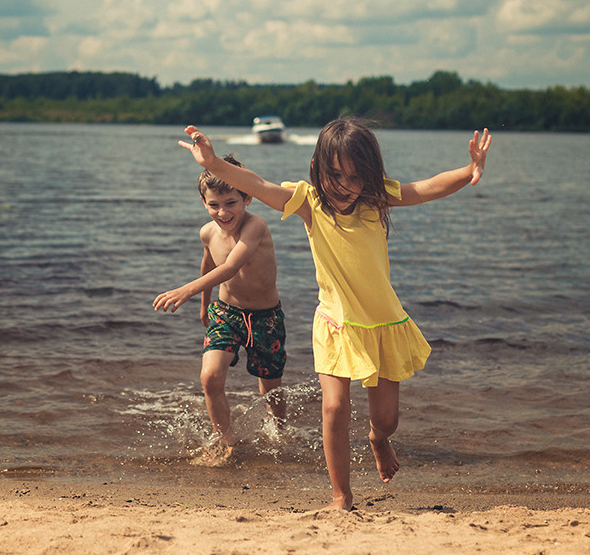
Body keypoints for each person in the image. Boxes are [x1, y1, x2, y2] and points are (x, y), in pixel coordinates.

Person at [177, 117, 491, 509]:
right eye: (335, 175)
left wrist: (470, 170)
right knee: (334, 406)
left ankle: (379, 440)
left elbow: (425, 188)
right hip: (335, 323)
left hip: (383, 324)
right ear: (317, 169)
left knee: (387, 420)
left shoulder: (377, 200)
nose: (344, 186)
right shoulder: (308, 202)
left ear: (370, 177)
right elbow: (256, 184)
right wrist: (212, 164)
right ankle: (341, 496)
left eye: (355, 177)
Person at [153, 154, 287, 462]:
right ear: (203, 202)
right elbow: (209, 266)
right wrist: (204, 305)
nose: (223, 212)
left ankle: (279, 431)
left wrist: (185, 290)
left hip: (265, 318)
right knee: (210, 377)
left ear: (247, 197)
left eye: (230, 203)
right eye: (214, 205)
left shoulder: (256, 226)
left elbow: (229, 267)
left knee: (271, 390)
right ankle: (225, 443)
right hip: (226, 313)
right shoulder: (207, 232)